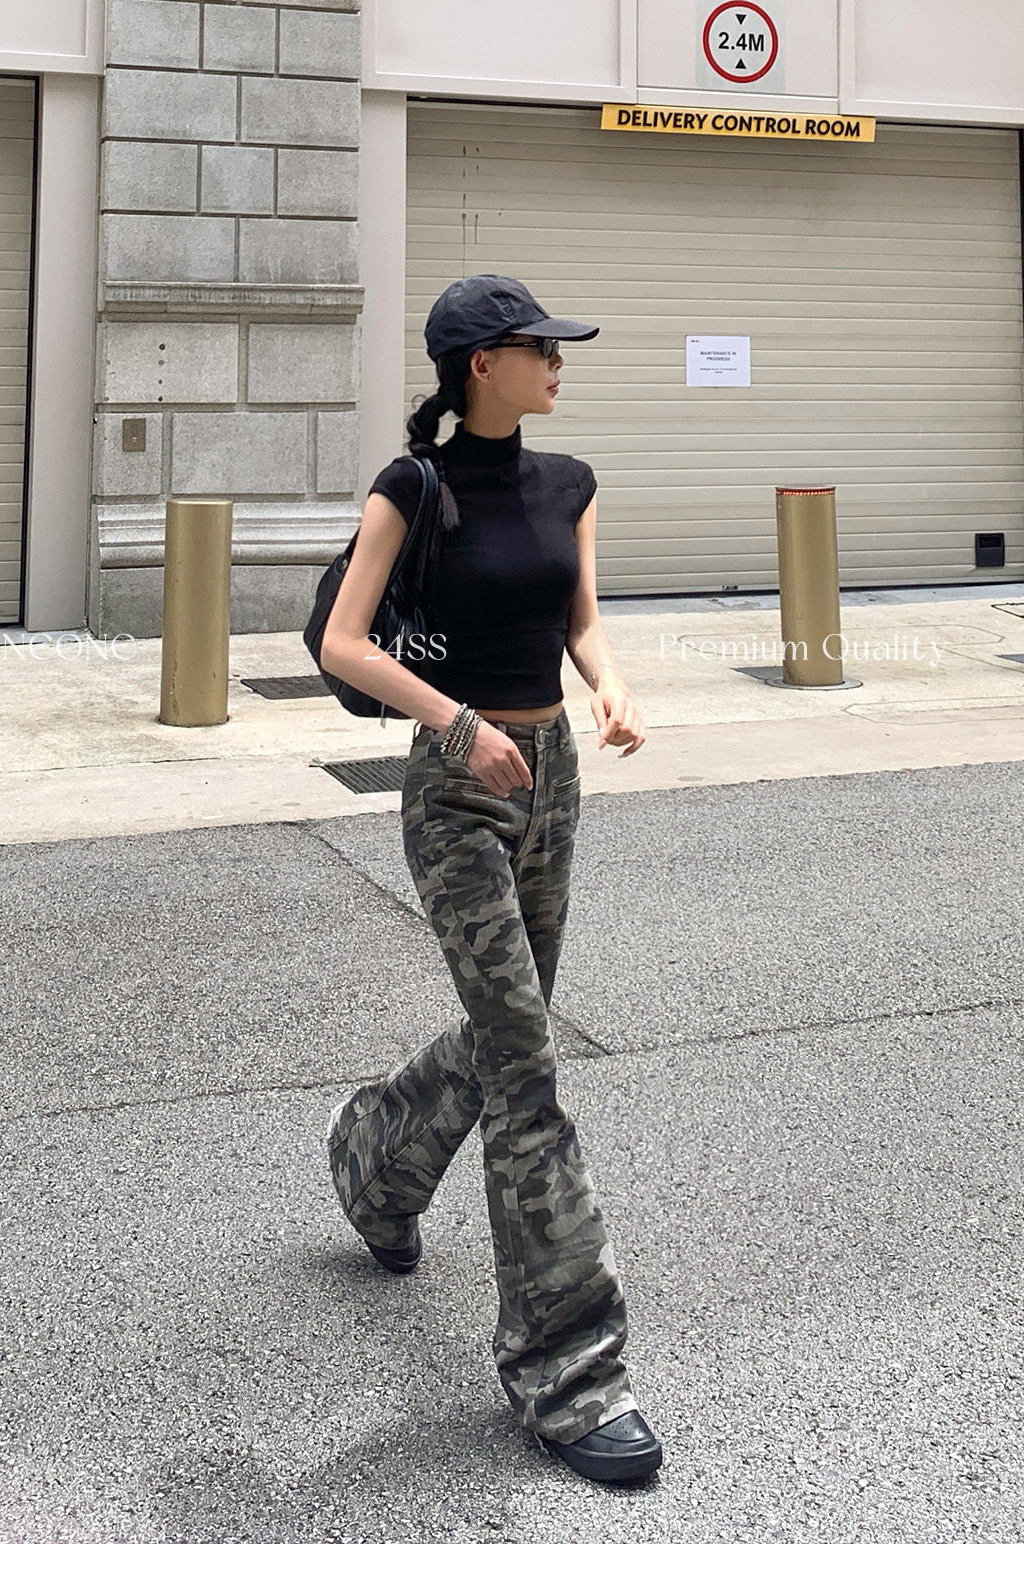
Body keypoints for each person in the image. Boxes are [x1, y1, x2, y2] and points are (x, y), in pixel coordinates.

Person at [318, 272, 661, 1487]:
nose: (558, 364)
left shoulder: (569, 484)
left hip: (551, 780)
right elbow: (342, 642)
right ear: (480, 365)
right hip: (458, 790)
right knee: (527, 1069)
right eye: (538, 348)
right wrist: (457, 725)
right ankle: (568, 1373)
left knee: (508, 1029)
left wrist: (609, 684)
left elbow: (579, 621)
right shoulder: (413, 487)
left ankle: (375, 1157)